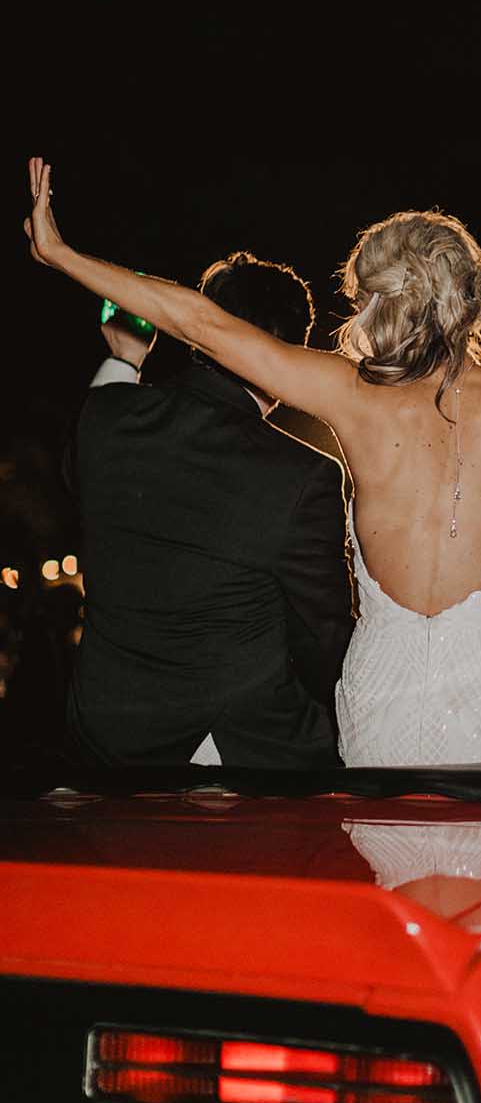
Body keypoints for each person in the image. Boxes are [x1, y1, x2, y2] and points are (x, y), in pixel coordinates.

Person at [24, 146, 481, 765]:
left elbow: (204, 326)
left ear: (380, 303)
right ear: (472, 301)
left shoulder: (355, 398)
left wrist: (64, 255)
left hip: (382, 714)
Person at [58, 247, 354, 769]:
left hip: (107, 737)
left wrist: (123, 358)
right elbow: (323, 638)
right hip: (237, 748)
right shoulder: (302, 473)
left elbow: (79, 456)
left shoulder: (106, 420)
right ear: (288, 351)